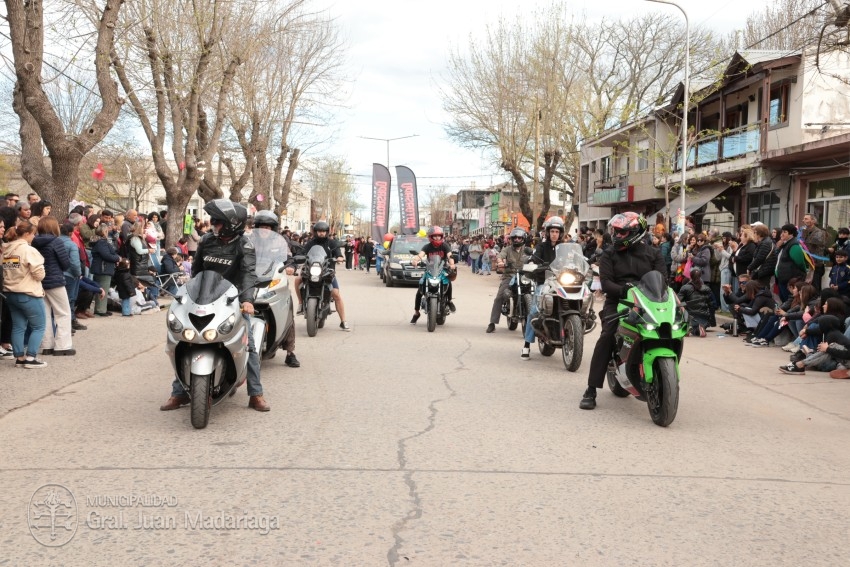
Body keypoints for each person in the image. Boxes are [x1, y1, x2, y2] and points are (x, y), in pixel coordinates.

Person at [161, 199, 271, 412]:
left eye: (217, 221)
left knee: (249, 345)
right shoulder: (206, 241)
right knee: (183, 339)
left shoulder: (245, 245)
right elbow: (196, 272)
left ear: (231, 224)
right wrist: (187, 295)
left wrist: (247, 300)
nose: (213, 224)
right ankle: (179, 392)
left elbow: (248, 274)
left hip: (232, 300)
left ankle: (256, 394)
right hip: (205, 297)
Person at [580, 212, 665, 410]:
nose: (617, 236)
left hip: (647, 302)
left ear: (636, 232)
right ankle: (591, 389)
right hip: (618, 300)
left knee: (666, 328)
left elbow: (662, 280)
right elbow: (606, 282)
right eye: (616, 232)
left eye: (622, 232)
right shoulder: (609, 253)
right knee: (607, 335)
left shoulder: (654, 253)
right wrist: (623, 290)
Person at [252, 209, 300, 368]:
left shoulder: (279, 242)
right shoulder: (249, 240)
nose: (264, 230)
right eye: (261, 227)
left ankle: (290, 353)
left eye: (267, 227)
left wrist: (291, 266)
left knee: (287, 310)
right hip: (251, 280)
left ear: (272, 228)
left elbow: (288, 257)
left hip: (274, 280)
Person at [1, 222, 49, 368]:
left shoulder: (7, 250)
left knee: (18, 326)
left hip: (10, 292)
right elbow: (39, 274)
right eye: (33, 234)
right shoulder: (29, 250)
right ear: (27, 234)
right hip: (28, 293)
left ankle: (19, 357)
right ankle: (31, 357)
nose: (34, 236)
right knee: (39, 326)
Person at [521, 216, 566, 360]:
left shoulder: (565, 248)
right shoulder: (541, 247)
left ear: (560, 233)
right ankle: (526, 344)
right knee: (534, 311)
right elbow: (534, 258)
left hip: (563, 283)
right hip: (545, 283)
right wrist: (532, 263)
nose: (554, 234)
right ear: (548, 232)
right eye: (552, 231)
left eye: (557, 232)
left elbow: (575, 258)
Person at [293, 220, 351, 331]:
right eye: (319, 231)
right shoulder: (310, 243)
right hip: (311, 270)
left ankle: (343, 321)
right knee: (297, 280)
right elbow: (302, 252)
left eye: (324, 231)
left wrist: (339, 257)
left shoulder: (331, 243)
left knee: (336, 294)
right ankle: (300, 303)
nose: (321, 233)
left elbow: (338, 252)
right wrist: (298, 257)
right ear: (315, 232)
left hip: (327, 271)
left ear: (327, 232)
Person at [32, 217, 76, 355]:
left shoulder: (34, 241)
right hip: (55, 280)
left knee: (45, 313)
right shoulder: (56, 241)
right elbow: (65, 263)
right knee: (63, 313)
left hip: (39, 281)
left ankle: (46, 345)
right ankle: (62, 346)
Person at [487, 227, 532, 333]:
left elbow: (534, 257)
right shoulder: (507, 249)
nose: (517, 239)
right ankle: (492, 323)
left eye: (519, 238)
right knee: (499, 297)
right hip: (510, 276)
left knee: (537, 294)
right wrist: (500, 262)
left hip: (525, 276)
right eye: (514, 238)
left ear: (523, 239)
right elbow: (500, 256)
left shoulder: (527, 250)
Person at [410, 226, 456, 324]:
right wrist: (415, 260)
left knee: (448, 282)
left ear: (442, 236)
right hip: (430, 270)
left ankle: (449, 301)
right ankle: (416, 312)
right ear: (431, 237)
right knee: (420, 289)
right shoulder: (427, 247)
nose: (437, 238)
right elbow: (420, 255)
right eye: (435, 236)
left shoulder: (445, 246)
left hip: (442, 269)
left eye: (439, 236)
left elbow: (450, 255)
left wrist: (452, 264)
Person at [90, 224, 119, 316]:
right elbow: (107, 255)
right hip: (103, 268)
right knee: (103, 288)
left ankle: (102, 308)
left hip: (102, 268)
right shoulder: (102, 243)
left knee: (103, 288)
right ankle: (100, 309)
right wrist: (118, 258)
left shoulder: (99, 242)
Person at [677, 267, 714, 337]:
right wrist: (711, 320)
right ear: (700, 276)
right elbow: (711, 305)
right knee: (698, 328)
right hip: (703, 317)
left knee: (689, 324)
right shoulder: (707, 288)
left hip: (689, 316)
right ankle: (698, 329)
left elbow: (678, 302)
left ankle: (689, 328)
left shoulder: (685, 288)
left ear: (690, 276)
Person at [800, 212, 828, 291]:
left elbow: (808, 244)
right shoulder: (805, 231)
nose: (803, 220)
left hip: (815, 264)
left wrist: (802, 236)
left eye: (806, 219)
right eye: (804, 219)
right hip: (806, 263)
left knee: (814, 288)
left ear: (813, 221)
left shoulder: (819, 232)